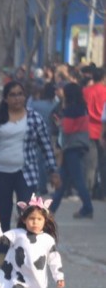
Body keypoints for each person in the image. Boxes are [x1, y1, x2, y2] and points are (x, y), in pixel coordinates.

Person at [0, 81, 61, 266]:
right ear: (5, 98)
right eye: (13, 95)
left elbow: (45, 146)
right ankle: (2, 252)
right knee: (2, 211)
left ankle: (26, 252)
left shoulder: (33, 118)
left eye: (20, 94)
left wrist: (53, 171)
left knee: (27, 211)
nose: (17, 98)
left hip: (25, 172)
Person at [50, 82, 94, 218]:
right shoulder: (82, 107)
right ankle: (51, 209)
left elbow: (68, 129)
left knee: (77, 179)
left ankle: (87, 207)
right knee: (62, 180)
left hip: (71, 147)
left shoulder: (70, 110)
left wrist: (60, 123)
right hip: (80, 145)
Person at [82, 67, 106, 199]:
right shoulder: (105, 91)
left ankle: (88, 190)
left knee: (91, 164)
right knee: (103, 163)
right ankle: (103, 191)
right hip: (103, 130)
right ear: (103, 78)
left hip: (89, 128)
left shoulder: (85, 91)